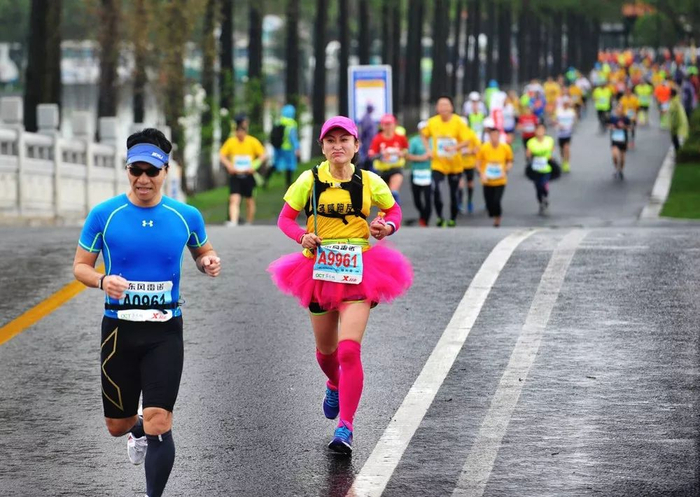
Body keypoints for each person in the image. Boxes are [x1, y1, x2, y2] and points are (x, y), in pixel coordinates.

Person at [72, 128, 221, 497]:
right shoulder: (104, 215)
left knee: (160, 420)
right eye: (135, 170)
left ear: (165, 171)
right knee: (117, 425)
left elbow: (203, 252)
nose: (143, 179)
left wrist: (208, 262)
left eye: (151, 171)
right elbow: (80, 267)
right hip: (118, 332)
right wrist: (102, 280)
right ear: (127, 170)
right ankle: (135, 427)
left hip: (164, 331)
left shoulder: (185, 215)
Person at [267, 116, 413, 455]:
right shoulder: (309, 180)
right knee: (326, 353)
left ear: (356, 145)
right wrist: (302, 236)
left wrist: (386, 228)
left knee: (348, 350)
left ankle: (345, 427)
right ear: (322, 147)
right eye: (330, 140)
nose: (337, 146)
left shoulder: (370, 181)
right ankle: (334, 382)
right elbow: (285, 219)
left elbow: (393, 212)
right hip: (318, 271)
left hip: (359, 269)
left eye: (344, 139)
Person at [421, 95, 472, 227]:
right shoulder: (432, 122)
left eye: (446, 105)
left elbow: (467, 140)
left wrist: (455, 147)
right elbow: (424, 135)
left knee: (453, 193)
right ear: (437, 108)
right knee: (436, 189)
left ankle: (452, 218)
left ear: (451, 107)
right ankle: (440, 217)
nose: (443, 107)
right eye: (441, 105)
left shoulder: (458, 122)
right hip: (438, 164)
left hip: (455, 164)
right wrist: (428, 150)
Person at [219, 115, 268, 226]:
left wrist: (254, 166)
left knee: (249, 200)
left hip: (248, 175)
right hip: (235, 174)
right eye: (237, 132)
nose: (239, 135)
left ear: (245, 132)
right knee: (234, 198)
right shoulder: (231, 142)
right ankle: (233, 220)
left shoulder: (252, 141)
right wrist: (229, 166)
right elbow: (222, 155)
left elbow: (263, 155)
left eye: (241, 132)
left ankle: (249, 221)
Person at [476, 119, 513, 227]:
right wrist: (481, 173)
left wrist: (506, 170)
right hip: (487, 180)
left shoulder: (505, 148)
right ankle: (492, 212)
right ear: (489, 136)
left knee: (497, 201)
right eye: (492, 135)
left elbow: (510, 161)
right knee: (489, 202)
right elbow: (478, 162)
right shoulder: (484, 148)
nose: (494, 138)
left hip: (500, 180)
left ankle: (497, 219)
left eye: (496, 135)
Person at [367, 114, 409, 204]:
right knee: (385, 198)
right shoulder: (377, 139)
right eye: (386, 124)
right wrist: (381, 155)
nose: (388, 127)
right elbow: (371, 156)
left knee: (393, 192)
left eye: (390, 124)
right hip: (381, 170)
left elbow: (406, 151)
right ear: (382, 126)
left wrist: (402, 153)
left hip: (396, 168)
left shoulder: (400, 137)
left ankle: (396, 203)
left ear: (394, 125)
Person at [525, 123, 559, 215]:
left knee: (543, 184)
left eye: (542, 130)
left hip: (546, 166)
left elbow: (552, 151)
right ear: (535, 131)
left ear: (544, 131)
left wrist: (551, 156)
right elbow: (528, 154)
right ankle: (541, 202)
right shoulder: (531, 142)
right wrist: (530, 156)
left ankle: (545, 196)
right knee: (537, 187)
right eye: (538, 130)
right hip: (536, 167)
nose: (540, 132)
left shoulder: (549, 140)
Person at [406, 121, 433, 226]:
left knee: (428, 197)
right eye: (423, 129)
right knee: (417, 198)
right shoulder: (414, 141)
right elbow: (408, 156)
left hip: (429, 172)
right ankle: (422, 214)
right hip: (416, 172)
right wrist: (421, 158)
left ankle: (425, 220)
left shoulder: (433, 141)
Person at [271, 104, 301, 188]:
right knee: (290, 165)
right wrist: (297, 147)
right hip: (288, 147)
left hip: (279, 147)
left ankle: (265, 179)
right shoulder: (291, 123)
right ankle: (288, 183)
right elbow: (292, 137)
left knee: (276, 163)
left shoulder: (279, 121)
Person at [608, 104, 632, 180]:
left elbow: (630, 128)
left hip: (623, 140)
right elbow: (608, 125)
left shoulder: (626, 118)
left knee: (622, 159)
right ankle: (616, 169)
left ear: (622, 110)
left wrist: (624, 126)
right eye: (617, 109)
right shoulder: (612, 118)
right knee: (614, 156)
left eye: (620, 109)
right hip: (615, 140)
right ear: (615, 110)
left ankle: (621, 170)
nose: (618, 110)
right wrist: (612, 127)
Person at [555, 99, 576, 172]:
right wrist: (558, 125)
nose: (566, 105)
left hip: (568, 133)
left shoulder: (571, 111)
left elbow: (574, 119)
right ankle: (563, 161)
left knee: (566, 148)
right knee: (561, 150)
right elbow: (554, 120)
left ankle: (567, 163)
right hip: (560, 134)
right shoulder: (558, 111)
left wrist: (572, 124)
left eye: (567, 103)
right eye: (564, 103)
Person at [668, 88, 689, 153]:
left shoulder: (674, 104)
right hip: (682, 127)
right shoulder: (677, 101)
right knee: (678, 145)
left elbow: (674, 117)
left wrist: (673, 128)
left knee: (678, 146)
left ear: (671, 95)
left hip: (678, 128)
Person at [358, 104, 378, 170]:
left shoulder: (368, 117)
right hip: (367, 140)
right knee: (367, 156)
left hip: (370, 140)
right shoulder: (366, 117)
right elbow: (364, 129)